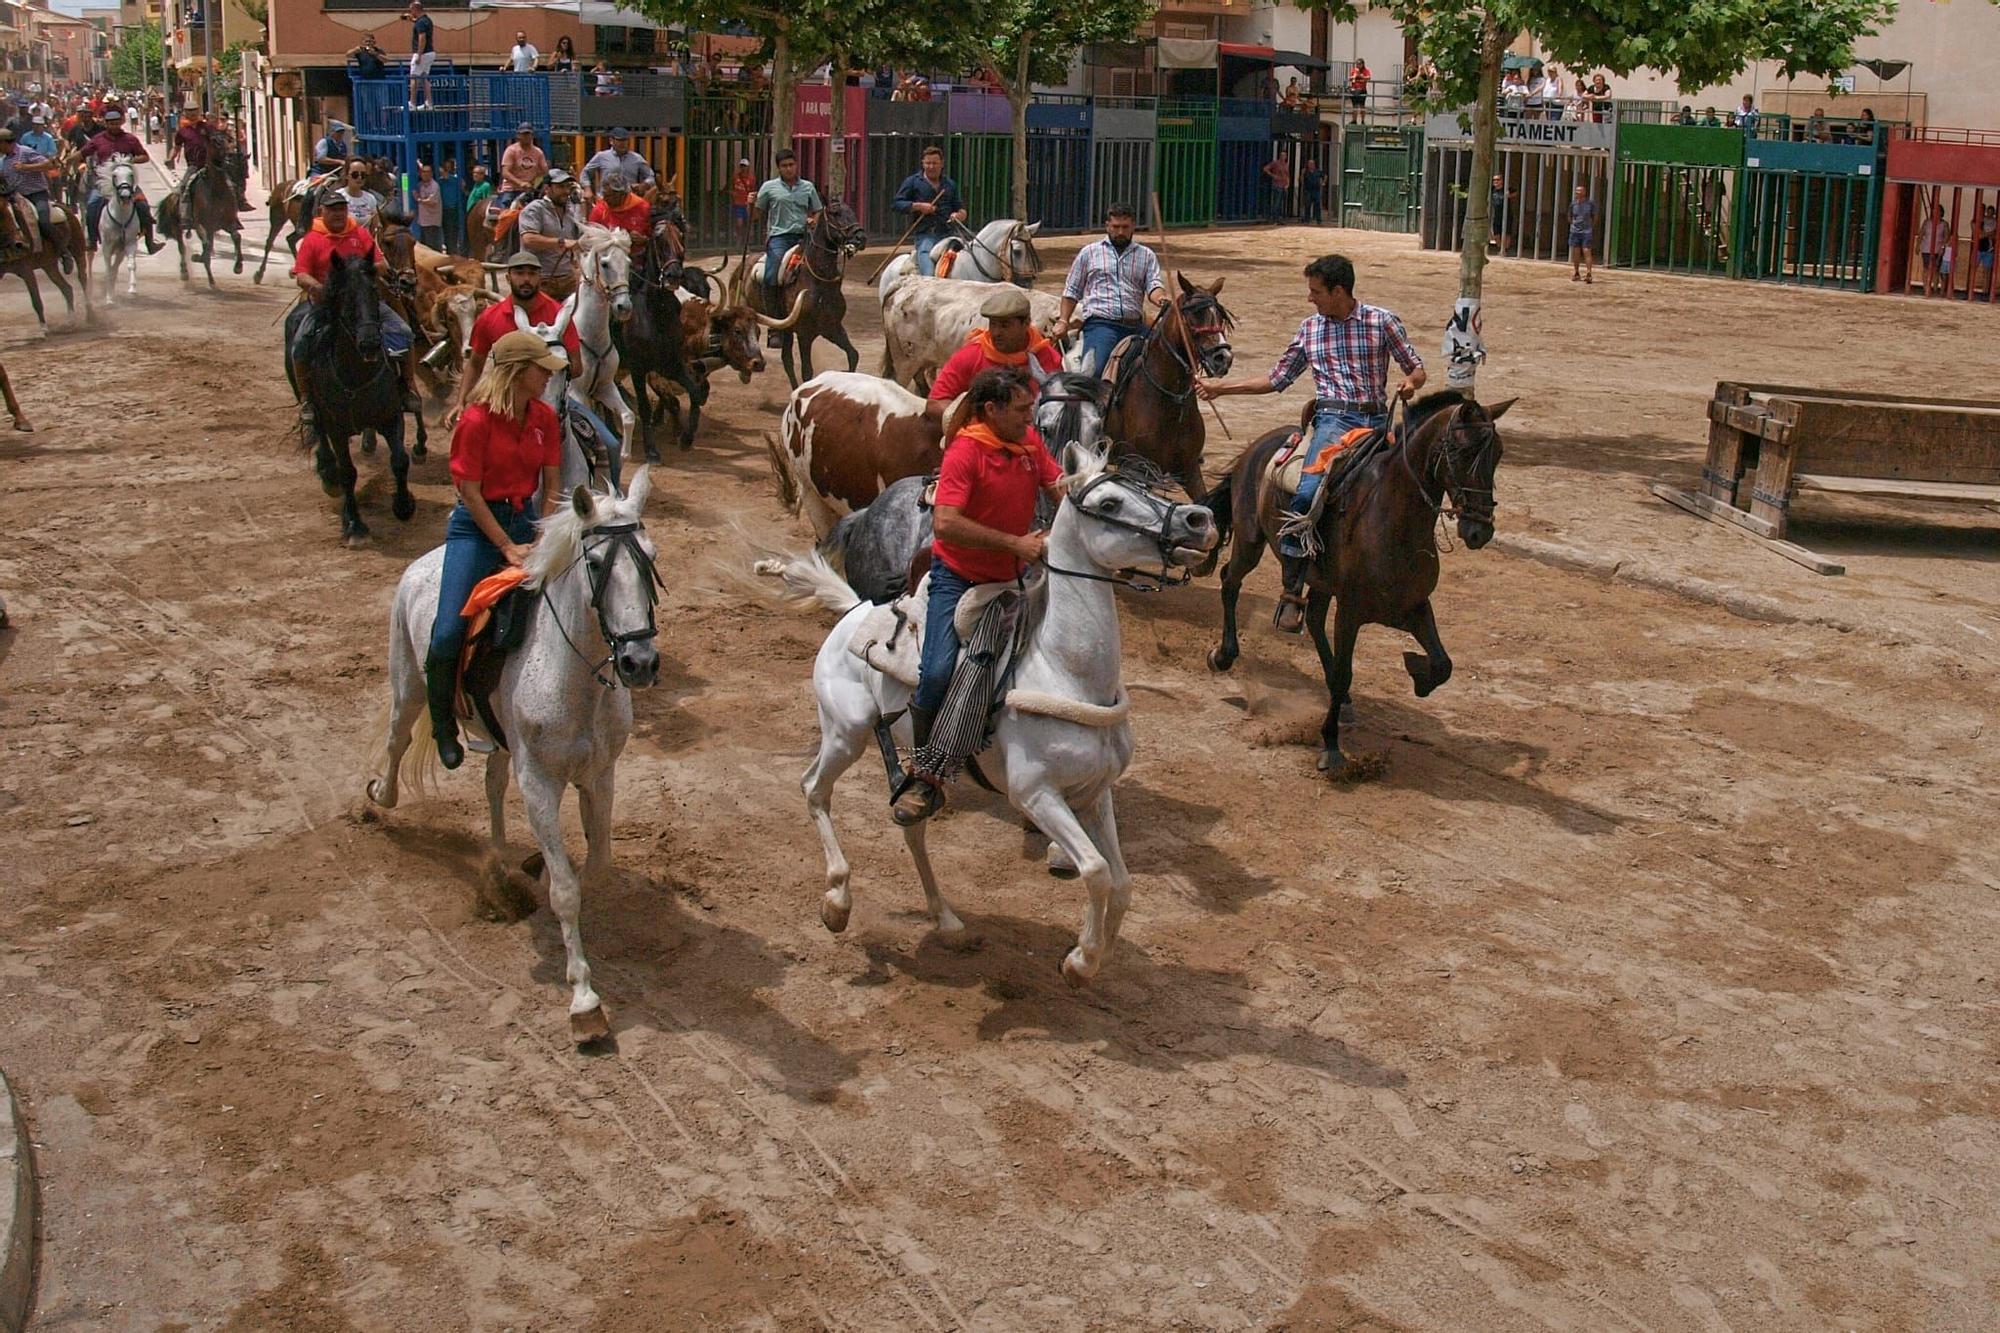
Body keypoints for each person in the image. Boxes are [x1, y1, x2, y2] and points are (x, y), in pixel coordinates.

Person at [1194, 254, 1424, 633]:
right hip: (1333, 422)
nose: (1310, 299)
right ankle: (1292, 590)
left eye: (1315, 291)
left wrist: (1411, 383)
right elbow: (1276, 379)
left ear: (1338, 291)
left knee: (1413, 485)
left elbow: (1416, 367)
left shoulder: (1382, 321)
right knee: (1306, 494)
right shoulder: (1309, 330)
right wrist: (1222, 388)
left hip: (1377, 421)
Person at [891, 366, 1066, 826]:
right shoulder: (966, 451)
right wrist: (1016, 543)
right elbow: (945, 523)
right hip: (961, 578)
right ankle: (923, 775)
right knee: (938, 674)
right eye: (1023, 408)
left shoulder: (1027, 442)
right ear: (992, 409)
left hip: (1017, 577)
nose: (1031, 415)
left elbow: (1059, 487)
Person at [425, 330, 569, 771]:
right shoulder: (476, 421)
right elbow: (468, 492)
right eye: (540, 369)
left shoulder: (544, 416)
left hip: (527, 518)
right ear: (517, 372)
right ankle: (443, 724)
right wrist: (506, 547)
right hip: (477, 527)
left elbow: (552, 484)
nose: (547, 377)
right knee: (449, 630)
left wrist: (544, 535)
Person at [289, 191, 418, 411]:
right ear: (322, 212)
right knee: (300, 343)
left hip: (364, 303)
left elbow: (380, 263)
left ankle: (407, 386)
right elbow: (301, 274)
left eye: (341, 209)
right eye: (332, 209)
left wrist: (368, 271)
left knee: (404, 332)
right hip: (327, 304)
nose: (338, 214)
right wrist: (318, 287)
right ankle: (307, 399)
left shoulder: (360, 234)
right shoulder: (313, 239)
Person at [450, 250, 583, 426]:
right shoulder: (490, 318)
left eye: (532, 273)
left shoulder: (559, 314)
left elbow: (577, 367)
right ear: (508, 278)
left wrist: (543, 380)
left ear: (539, 278)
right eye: (519, 273)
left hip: (552, 396)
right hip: (501, 400)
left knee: (609, 444)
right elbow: (475, 364)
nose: (526, 279)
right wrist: (460, 402)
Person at [1051, 203, 1168, 379]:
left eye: (1125, 227)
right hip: (1102, 325)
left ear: (1133, 226)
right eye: (1116, 227)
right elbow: (1072, 290)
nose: (1120, 232)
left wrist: (1161, 299)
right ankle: (1092, 406)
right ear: (1107, 225)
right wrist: (1063, 321)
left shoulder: (1146, 255)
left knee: (1169, 359)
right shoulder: (1089, 253)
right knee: (1094, 371)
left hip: (1136, 325)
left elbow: (1153, 285)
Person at [924, 286, 1061, 422]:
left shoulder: (1049, 359)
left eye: (1004, 326)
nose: (996, 333)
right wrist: (975, 423)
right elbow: (935, 403)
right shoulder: (970, 356)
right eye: (993, 324)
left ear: (1026, 324)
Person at [81, 108, 164, 253]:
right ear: (106, 124)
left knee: (143, 206)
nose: (114, 126)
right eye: (111, 123)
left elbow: (144, 156)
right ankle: (92, 240)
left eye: (116, 123)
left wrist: (131, 159)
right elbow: (82, 153)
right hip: (105, 182)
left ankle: (150, 242)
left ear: (121, 123)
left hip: (126, 181)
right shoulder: (98, 140)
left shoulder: (130, 139)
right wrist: (69, 161)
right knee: (92, 205)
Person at [753, 148, 822, 307]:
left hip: (805, 237)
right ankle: (773, 314)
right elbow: (756, 215)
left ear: (796, 165)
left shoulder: (808, 187)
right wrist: (750, 204)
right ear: (779, 168)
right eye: (784, 166)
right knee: (772, 275)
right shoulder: (769, 187)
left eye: (791, 164)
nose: (788, 168)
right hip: (780, 238)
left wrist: (814, 220)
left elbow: (818, 210)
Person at [890, 144, 966, 276]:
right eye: (928, 163)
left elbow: (961, 209)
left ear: (942, 164)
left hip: (949, 234)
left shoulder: (950, 184)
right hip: (926, 236)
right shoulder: (913, 182)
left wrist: (958, 215)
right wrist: (918, 206)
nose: (931, 167)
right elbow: (896, 204)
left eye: (935, 163)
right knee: (929, 274)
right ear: (923, 163)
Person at [516, 167, 583, 299]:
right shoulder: (535, 209)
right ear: (547, 188)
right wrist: (561, 242)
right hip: (540, 279)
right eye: (560, 187)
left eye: (567, 187)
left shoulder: (571, 211)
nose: (565, 191)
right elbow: (528, 239)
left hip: (567, 279)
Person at [0, 127, 62, 258]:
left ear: (6, 142)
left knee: (43, 221)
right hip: (15, 196)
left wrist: (26, 167)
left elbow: (49, 165)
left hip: (36, 194)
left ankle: (62, 250)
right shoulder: (3, 161)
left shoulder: (25, 152)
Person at [582, 127, 655, 200]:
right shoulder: (601, 156)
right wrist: (587, 189)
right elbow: (585, 172)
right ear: (611, 141)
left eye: (625, 140)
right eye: (619, 140)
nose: (622, 143)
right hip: (606, 200)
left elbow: (650, 176)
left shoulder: (636, 158)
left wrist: (644, 185)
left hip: (629, 200)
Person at [587, 170, 650, 243]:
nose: (605, 199)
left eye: (609, 196)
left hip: (637, 252)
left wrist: (644, 240)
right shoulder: (599, 210)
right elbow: (590, 237)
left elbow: (653, 235)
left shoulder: (642, 207)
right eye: (604, 195)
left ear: (622, 194)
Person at [496, 123, 546, 209]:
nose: (526, 137)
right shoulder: (511, 150)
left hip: (529, 191)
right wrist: (521, 183)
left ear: (532, 135)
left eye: (528, 134)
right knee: (505, 214)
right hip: (511, 190)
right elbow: (505, 172)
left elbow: (544, 171)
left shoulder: (538, 152)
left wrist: (535, 183)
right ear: (518, 136)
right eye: (523, 134)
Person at [333, 158, 383, 231]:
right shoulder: (338, 196)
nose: (359, 178)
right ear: (347, 176)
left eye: (363, 175)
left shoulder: (370, 198)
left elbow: (375, 228)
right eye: (355, 175)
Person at [404, 0, 436, 111]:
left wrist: (418, 54)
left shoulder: (420, 23)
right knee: (424, 76)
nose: (410, 12)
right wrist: (413, 21)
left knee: (414, 77)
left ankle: (412, 103)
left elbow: (422, 38)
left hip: (423, 52)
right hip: (430, 52)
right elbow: (421, 26)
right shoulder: (427, 20)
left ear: (415, 9)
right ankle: (429, 102)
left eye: (411, 10)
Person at [1918, 202, 1951, 297]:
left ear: (1941, 212)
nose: (1935, 212)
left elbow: (1946, 237)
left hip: (1938, 249)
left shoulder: (1944, 224)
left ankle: (1935, 288)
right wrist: (1918, 245)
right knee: (1926, 268)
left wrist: (1943, 248)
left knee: (1936, 269)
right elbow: (1921, 234)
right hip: (1926, 248)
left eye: (1938, 211)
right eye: (1934, 210)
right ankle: (1926, 288)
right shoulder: (1927, 222)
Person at [1568, 184, 1598, 283]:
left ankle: (1589, 273)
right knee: (1576, 252)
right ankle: (1576, 273)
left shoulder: (1590, 204)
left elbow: (1594, 216)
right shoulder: (1573, 204)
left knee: (1586, 251)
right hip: (1575, 231)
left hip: (1586, 231)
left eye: (1580, 191)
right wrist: (1573, 226)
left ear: (1584, 192)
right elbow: (1570, 216)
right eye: (1576, 191)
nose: (1578, 193)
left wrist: (1590, 227)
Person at [729, 156, 756, 252]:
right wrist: (733, 194)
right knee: (739, 223)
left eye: (744, 166)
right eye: (741, 166)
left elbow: (753, 191)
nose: (743, 168)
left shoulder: (751, 178)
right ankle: (738, 242)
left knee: (747, 225)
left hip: (747, 204)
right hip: (738, 204)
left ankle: (745, 244)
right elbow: (730, 188)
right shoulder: (735, 177)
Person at [414, 161, 444, 249]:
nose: (425, 174)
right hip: (422, 221)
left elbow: (432, 201)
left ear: (431, 173)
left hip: (432, 221)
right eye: (423, 172)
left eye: (427, 172)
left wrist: (419, 199)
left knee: (432, 246)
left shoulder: (434, 186)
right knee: (425, 245)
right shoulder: (420, 185)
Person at [437, 156, 463, 253]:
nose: (448, 169)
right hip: (442, 210)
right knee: (446, 233)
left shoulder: (456, 180)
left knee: (453, 232)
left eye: (450, 167)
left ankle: (453, 251)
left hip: (454, 209)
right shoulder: (439, 182)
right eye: (446, 167)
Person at [1261, 151, 1291, 223]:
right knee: (1276, 203)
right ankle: (1275, 218)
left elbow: (1287, 175)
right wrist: (1273, 175)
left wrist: (1288, 184)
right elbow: (1265, 169)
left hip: (1284, 185)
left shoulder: (1286, 164)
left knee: (1281, 203)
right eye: (1281, 155)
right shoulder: (1275, 163)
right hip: (1277, 185)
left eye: (1284, 155)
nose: (1283, 157)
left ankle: (1279, 218)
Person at [1976, 204, 1996, 301]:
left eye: (1992, 213)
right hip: (1979, 248)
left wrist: (1985, 234)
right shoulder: (1981, 221)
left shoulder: (1995, 222)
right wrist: (1988, 234)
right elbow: (1978, 234)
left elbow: (1995, 235)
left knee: (1986, 272)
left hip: (1989, 249)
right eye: (1988, 212)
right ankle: (1970, 290)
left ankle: (1984, 293)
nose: (1989, 214)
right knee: (1973, 269)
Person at [1489, 174, 1510, 252]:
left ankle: (1505, 249)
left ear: (1502, 181)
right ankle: (1499, 248)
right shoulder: (1492, 189)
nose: (1496, 181)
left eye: (1498, 180)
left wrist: (1509, 195)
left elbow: (1515, 192)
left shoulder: (1506, 189)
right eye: (1494, 180)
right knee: (1496, 233)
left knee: (1506, 232)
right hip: (1496, 214)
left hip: (1507, 214)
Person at [1300, 158, 1324, 226]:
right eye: (1309, 164)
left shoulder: (1318, 171)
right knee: (1307, 205)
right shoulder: (1306, 172)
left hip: (1316, 191)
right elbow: (1301, 181)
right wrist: (1302, 174)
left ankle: (1319, 220)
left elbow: (1324, 176)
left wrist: (1323, 182)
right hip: (1308, 191)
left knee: (1317, 206)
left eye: (1312, 164)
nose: (1311, 165)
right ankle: (1307, 220)